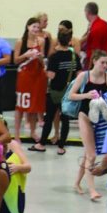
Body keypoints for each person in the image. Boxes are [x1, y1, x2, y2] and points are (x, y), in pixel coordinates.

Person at [68, 50, 107, 201]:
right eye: (102, 62)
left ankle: (77, 183)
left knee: (88, 153)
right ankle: (92, 190)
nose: (104, 65)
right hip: (85, 117)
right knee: (92, 154)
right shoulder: (84, 76)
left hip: (102, 119)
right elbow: (71, 95)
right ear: (94, 61)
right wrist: (87, 96)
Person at [34, 22, 79, 153]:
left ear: (58, 40)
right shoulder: (74, 56)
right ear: (69, 41)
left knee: (49, 118)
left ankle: (42, 144)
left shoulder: (54, 57)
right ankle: (61, 147)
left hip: (54, 92)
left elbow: (51, 76)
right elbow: (79, 74)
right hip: (68, 92)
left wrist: (44, 70)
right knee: (65, 120)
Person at [13, 16, 51, 142]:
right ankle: (17, 134)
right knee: (20, 106)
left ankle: (33, 132)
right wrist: (26, 55)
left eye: (38, 27)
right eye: (33, 26)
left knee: (35, 106)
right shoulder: (20, 41)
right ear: (28, 27)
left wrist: (39, 57)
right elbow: (15, 60)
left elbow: (43, 60)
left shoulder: (41, 41)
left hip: (37, 75)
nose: (36, 29)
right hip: (24, 76)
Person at [80, 2, 107, 70]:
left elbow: (95, 51)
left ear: (87, 12)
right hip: (103, 64)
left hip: (100, 67)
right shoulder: (102, 24)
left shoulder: (96, 29)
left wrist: (89, 69)